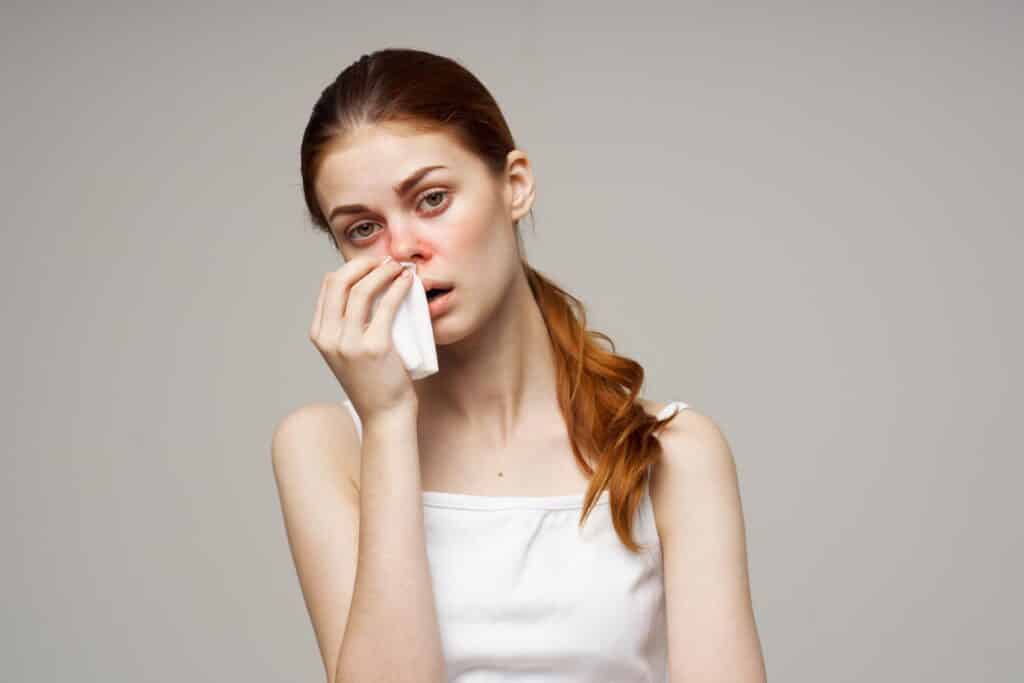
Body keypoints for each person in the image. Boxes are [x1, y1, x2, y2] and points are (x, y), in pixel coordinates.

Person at [271, 48, 766, 683]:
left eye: (432, 199)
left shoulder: (674, 452)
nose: (403, 250)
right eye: (363, 229)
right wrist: (390, 419)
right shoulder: (327, 446)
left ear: (515, 185)